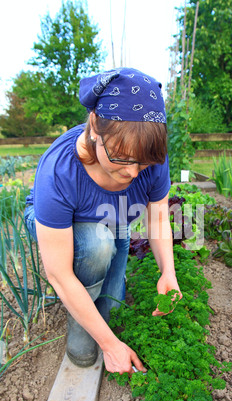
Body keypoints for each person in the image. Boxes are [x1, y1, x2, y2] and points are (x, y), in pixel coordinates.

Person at [24, 67, 182, 374]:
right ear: (95, 126)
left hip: (115, 217)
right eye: (122, 158)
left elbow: (159, 218)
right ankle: (81, 308)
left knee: (113, 309)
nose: (133, 172)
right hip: (60, 225)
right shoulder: (59, 170)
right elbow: (57, 273)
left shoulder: (149, 158)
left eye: (144, 162)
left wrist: (169, 273)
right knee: (97, 244)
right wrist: (110, 346)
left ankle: (104, 288)